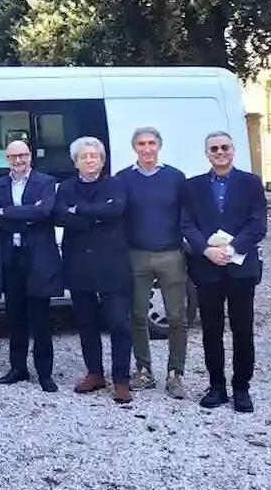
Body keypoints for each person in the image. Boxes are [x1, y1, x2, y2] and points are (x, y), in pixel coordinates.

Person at [182, 131, 267, 413]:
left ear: (233, 150)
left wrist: (232, 249)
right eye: (214, 149)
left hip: (240, 268)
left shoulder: (251, 183)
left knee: (242, 330)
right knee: (211, 330)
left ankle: (242, 388)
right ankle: (216, 385)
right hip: (207, 268)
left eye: (225, 147)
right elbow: (187, 224)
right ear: (207, 154)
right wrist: (206, 250)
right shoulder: (192, 186)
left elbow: (258, 224)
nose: (220, 152)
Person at [55, 137, 133, 404]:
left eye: (94, 156)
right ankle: (95, 373)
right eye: (84, 156)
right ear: (75, 162)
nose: (90, 160)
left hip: (112, 265)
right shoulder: (65, 187)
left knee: (118, 324)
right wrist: (96, 214)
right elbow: (60, 215)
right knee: (86, 324)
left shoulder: (117, 184)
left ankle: (122, 379)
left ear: (102, 160)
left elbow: (117, 209)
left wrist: (80, 211)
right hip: (79, 265)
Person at [115, 127, 189, 398]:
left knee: (177, 317)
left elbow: (186, 214)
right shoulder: (123, 178)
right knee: (137, 315)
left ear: (160, 146)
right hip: (136, 254)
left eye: (151, 143)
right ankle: (144, 369)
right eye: (141, 144)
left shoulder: (175, 177)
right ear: (134, 147)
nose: (147, 148)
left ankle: (175, 373)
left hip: (170, 253)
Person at [0, 139, 62, 392]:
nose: (18, 161)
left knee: (40, 319)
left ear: (30, 156)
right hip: (11, 257)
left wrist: (9, 213)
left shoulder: (46, 182)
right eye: (13, 156)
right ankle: (18, 369)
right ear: (6, 159)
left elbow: (44, 213)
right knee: (15, 318)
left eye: (23, 155)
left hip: (37, 257)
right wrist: (25, 214)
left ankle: (45, 374)